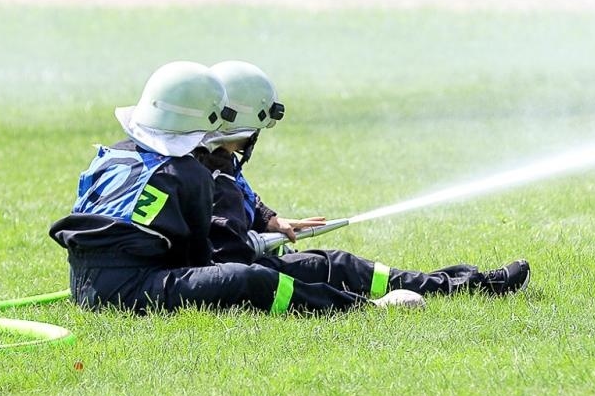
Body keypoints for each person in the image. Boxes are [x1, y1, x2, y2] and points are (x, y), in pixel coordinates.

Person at [50, 62, 422, 314]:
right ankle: (361, 309)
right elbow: (197, 261)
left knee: (254, 271)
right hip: (131, 292)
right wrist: (243, 258)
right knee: (250, 278)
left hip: (82, 283)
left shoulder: (116, 153)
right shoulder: (187, 174)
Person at [194, 60, 530, 299]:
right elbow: (229, 256)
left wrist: (269, 220)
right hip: (237, 280)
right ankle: (467, 286)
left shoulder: (211, 159)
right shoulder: (214, 173)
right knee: (338, 268)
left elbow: (241, 200)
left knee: (337, 264)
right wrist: (256, 240)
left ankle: (466, 283)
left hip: (230, 274)